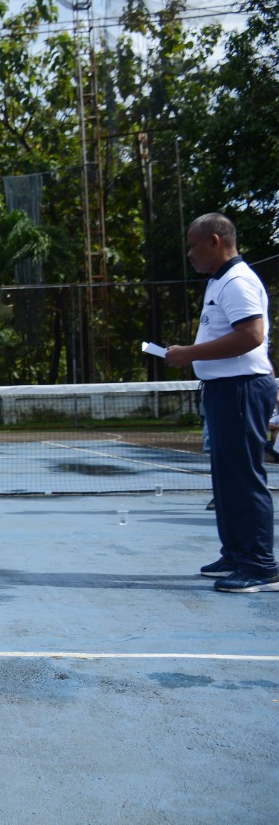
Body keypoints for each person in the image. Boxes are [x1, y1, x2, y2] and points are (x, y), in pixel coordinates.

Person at [166, 213, 278, 593]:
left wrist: (190, 353)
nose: (190, 254)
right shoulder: (221, 282)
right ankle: (236, 553)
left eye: (193, 246)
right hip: (225, 390)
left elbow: (252, 335)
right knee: (226, 478)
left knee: (244, 478)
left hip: (242, 390)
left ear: (215, 241)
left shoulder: (238, 282)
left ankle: (261, 566)